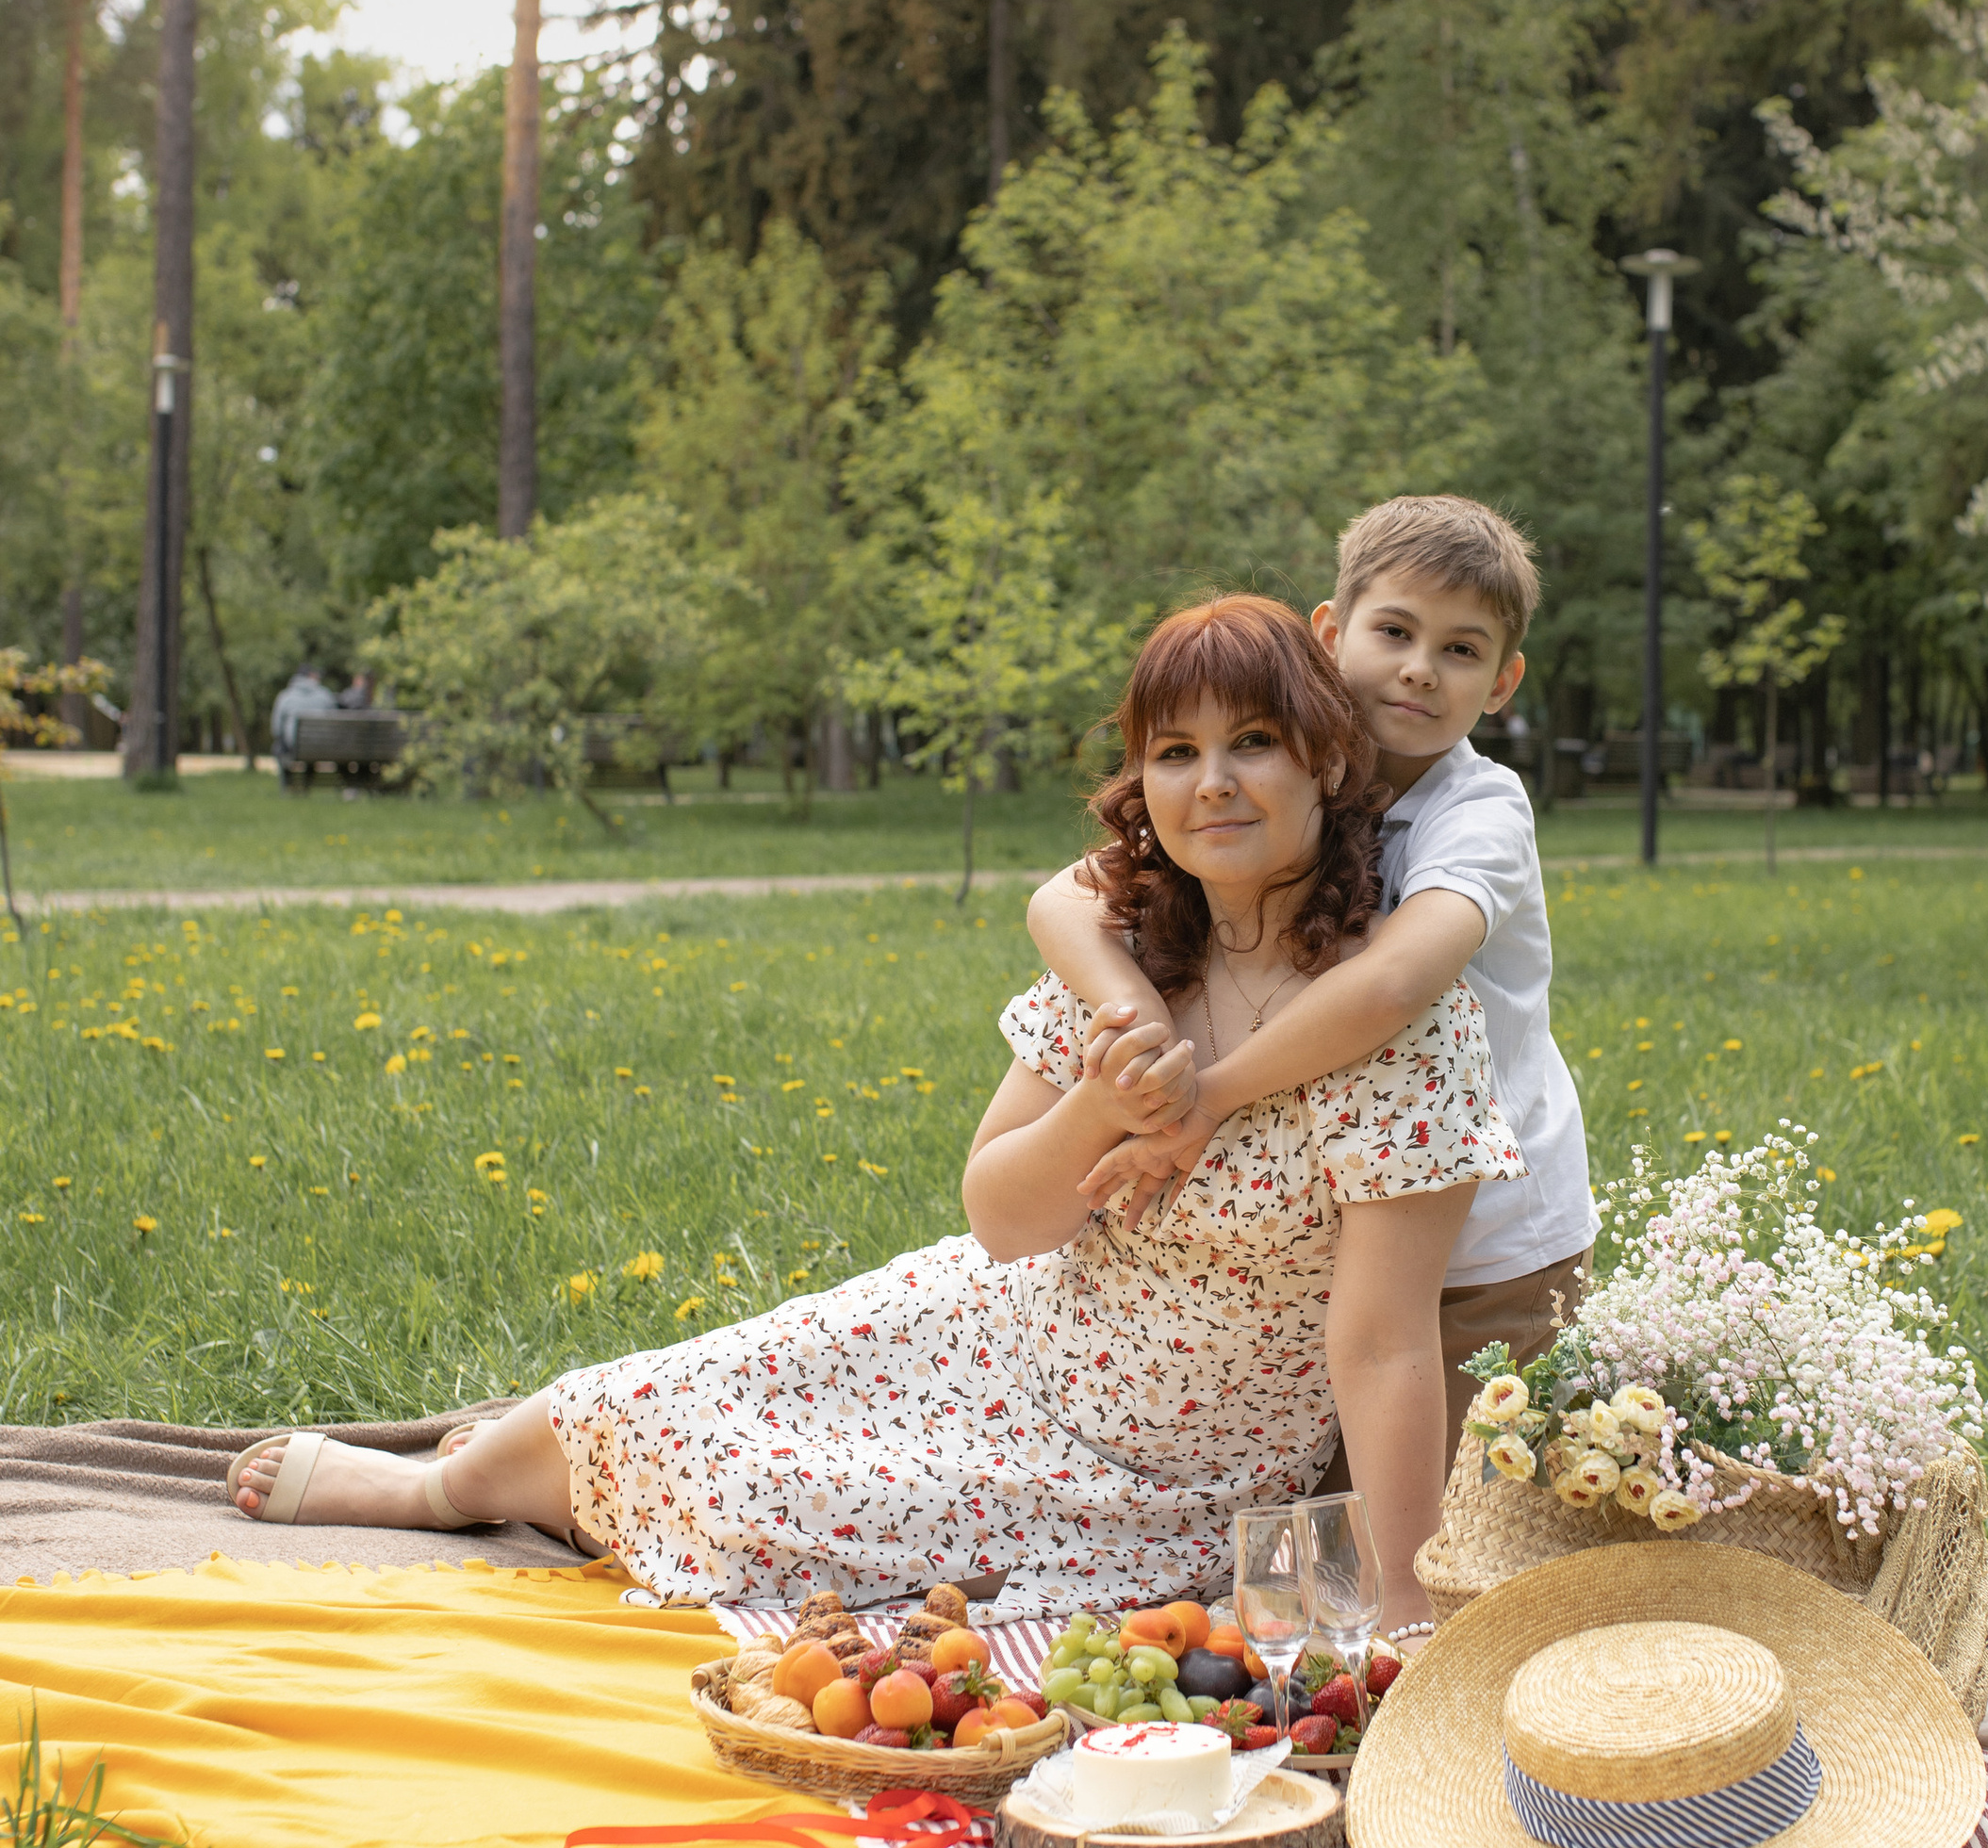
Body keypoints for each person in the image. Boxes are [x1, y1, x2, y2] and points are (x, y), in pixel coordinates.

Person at [226, 595, 1519, 1623]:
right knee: (656, 1391)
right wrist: (1098, 1109)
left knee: (755, 1498)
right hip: (1001, 1327)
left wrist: (1406, 1605)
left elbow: (1386, 1349)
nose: (1213, 785)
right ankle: (444, 1485)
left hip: (1158, 1474)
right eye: (1174, 753)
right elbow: (1003, 1221)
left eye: (1253, 744)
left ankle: (492, 1486)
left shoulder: (1390, 1031)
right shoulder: (1131, 961)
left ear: (1326, 763)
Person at [1029, 496, 1594, 1482]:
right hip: (1330, 1238)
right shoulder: (1281, 771)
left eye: (1461, 651)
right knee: (1307, 1488)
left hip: (1486, 1248)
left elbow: (1391, 985)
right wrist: (1146, 1023)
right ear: (1332, 635)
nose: (1419, 668)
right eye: (1393, 631)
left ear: (1503, 682)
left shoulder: (1479, 812)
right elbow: (1061, 902)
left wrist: (1206, 1093)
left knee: (1427, 1518)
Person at [269, 661, 337, 790]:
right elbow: (336, 722)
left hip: (294, 747)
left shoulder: (285, 696)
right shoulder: (325, 695)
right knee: (312, 746)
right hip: (321, 747)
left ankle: (287, 783)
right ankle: (307, 783)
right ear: (312, 676)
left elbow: (276, 729)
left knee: (278, 747)